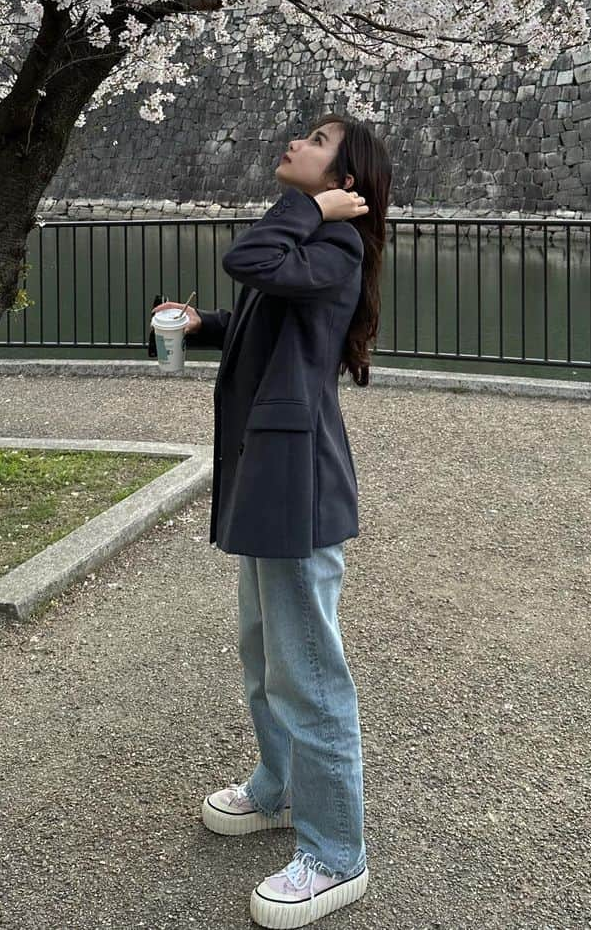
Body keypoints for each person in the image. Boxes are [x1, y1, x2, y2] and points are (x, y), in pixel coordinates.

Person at [155, 112, 392, 928]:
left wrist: (314, 212)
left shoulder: (336, 244)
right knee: (265, 651)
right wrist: (203, 326)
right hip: (268, 477)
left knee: (309, 670)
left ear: (345, 179)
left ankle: (337, 854)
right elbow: (268, 316)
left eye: (317, 142)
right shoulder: (308, 247)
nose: (293, 141)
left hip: (296, 484)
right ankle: (280, 786)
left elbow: (249, 256)